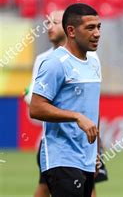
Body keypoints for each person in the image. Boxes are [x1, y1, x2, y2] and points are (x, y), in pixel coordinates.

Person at [30, 3, 102, 197]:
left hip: (86, 159)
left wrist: (96, 152)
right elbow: (35, 108)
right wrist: (76, 116)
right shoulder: (55, 63)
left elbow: (93, 111)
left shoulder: (94, 63)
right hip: (62, 158)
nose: (97, 33)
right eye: (90, 28)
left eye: (98, 27)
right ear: (71, 31)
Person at [24, 10, 66, 197]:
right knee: (46, 186)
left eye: (54, 22)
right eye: (47, 23)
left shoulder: (88, 57)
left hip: (82, 138)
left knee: (87, 186)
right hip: (53, 140)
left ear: (69, 27)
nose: (48, 27)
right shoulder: (43, 59)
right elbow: (33, 98)